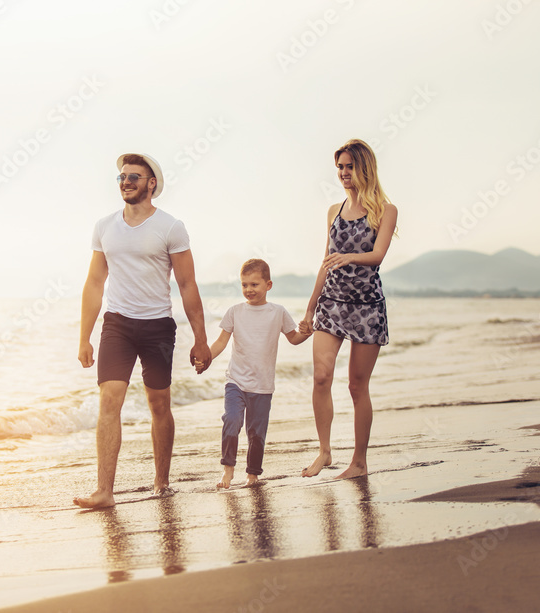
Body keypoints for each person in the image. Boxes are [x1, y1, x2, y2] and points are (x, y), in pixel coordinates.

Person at [75, 153, 212, 509]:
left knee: (159, 404)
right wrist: (84, 337)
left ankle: (161, 482)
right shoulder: (105, 226)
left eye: (134, 177)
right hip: (117, 324)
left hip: (158, 328)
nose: (126, 182)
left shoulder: (170, 227)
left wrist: (201, 339)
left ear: (152, 184)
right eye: (121, 177)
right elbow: (93, 282)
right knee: (109, 400)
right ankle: (105, 490)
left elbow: (187, 284)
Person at [298, 139, 398, 479]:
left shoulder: (385, 209)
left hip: (367, 306)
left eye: (349, 167)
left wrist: (349, 257)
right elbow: (325, 263)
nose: (343, 173)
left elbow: (378, 255)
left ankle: (359, 462)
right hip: (332, 303)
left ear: (364, 168)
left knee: (357, 386)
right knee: (322, 376)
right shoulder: (333, 211)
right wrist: (310, 309)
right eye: (339, 166)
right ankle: (325, 452)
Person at [200, 259, 311, 489]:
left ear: (268, 285)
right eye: (244, 285)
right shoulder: (235, 312)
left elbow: (293, 338)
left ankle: (252, 474)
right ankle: (228, 470)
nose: (248, 290)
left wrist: (307, 333)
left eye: (254, 284)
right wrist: (206, 358)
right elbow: (221, 342)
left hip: (262, 386)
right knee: (231, 421)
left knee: (257, 434)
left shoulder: (278, 312)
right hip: (236, 382)